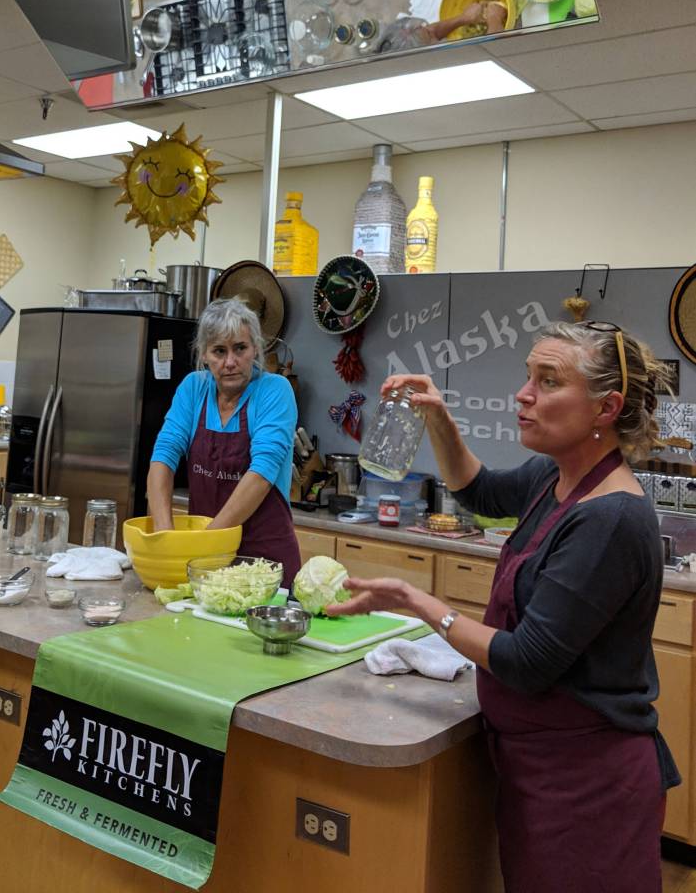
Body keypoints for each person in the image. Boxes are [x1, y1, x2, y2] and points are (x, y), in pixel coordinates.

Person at [327, 320, 679, 892]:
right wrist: (438, 418)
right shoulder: (557, 474)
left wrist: (419, 603)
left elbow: (526, 660)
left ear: (605, 408)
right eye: (527, 376)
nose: (524, 393)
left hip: (588, 784)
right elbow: (481, 493)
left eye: (548, 380)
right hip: (539, 767)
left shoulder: (610, 518)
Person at [148, 297, 301, 586]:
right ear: (204, 354)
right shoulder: (194, 388)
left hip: (264, 565)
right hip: (204, 566)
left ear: (255, 348)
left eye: (240, 348)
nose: (230, 362)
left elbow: (262, 473)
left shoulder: (274, 391)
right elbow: (163, 456)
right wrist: (164, 536)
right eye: (219, 351)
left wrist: (205, 544)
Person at [376, 0, 508, 53]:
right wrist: (494, 19)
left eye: (424, 28)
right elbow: (495, 50)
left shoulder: (392, 41)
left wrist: (463, 18)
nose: (430, 29)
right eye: (428, 34)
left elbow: (430, 33)